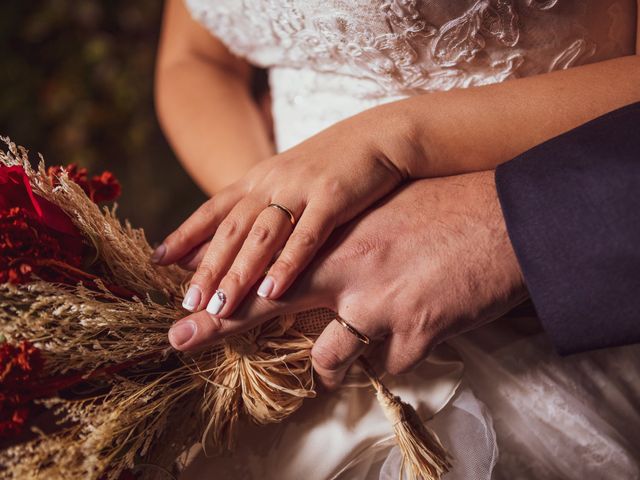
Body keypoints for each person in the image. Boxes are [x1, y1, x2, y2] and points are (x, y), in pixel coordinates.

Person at [154, 0, 640, 478]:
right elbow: (195, 60)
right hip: (307, 329)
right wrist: (283, 230)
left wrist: (395, 140)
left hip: (559, 286)